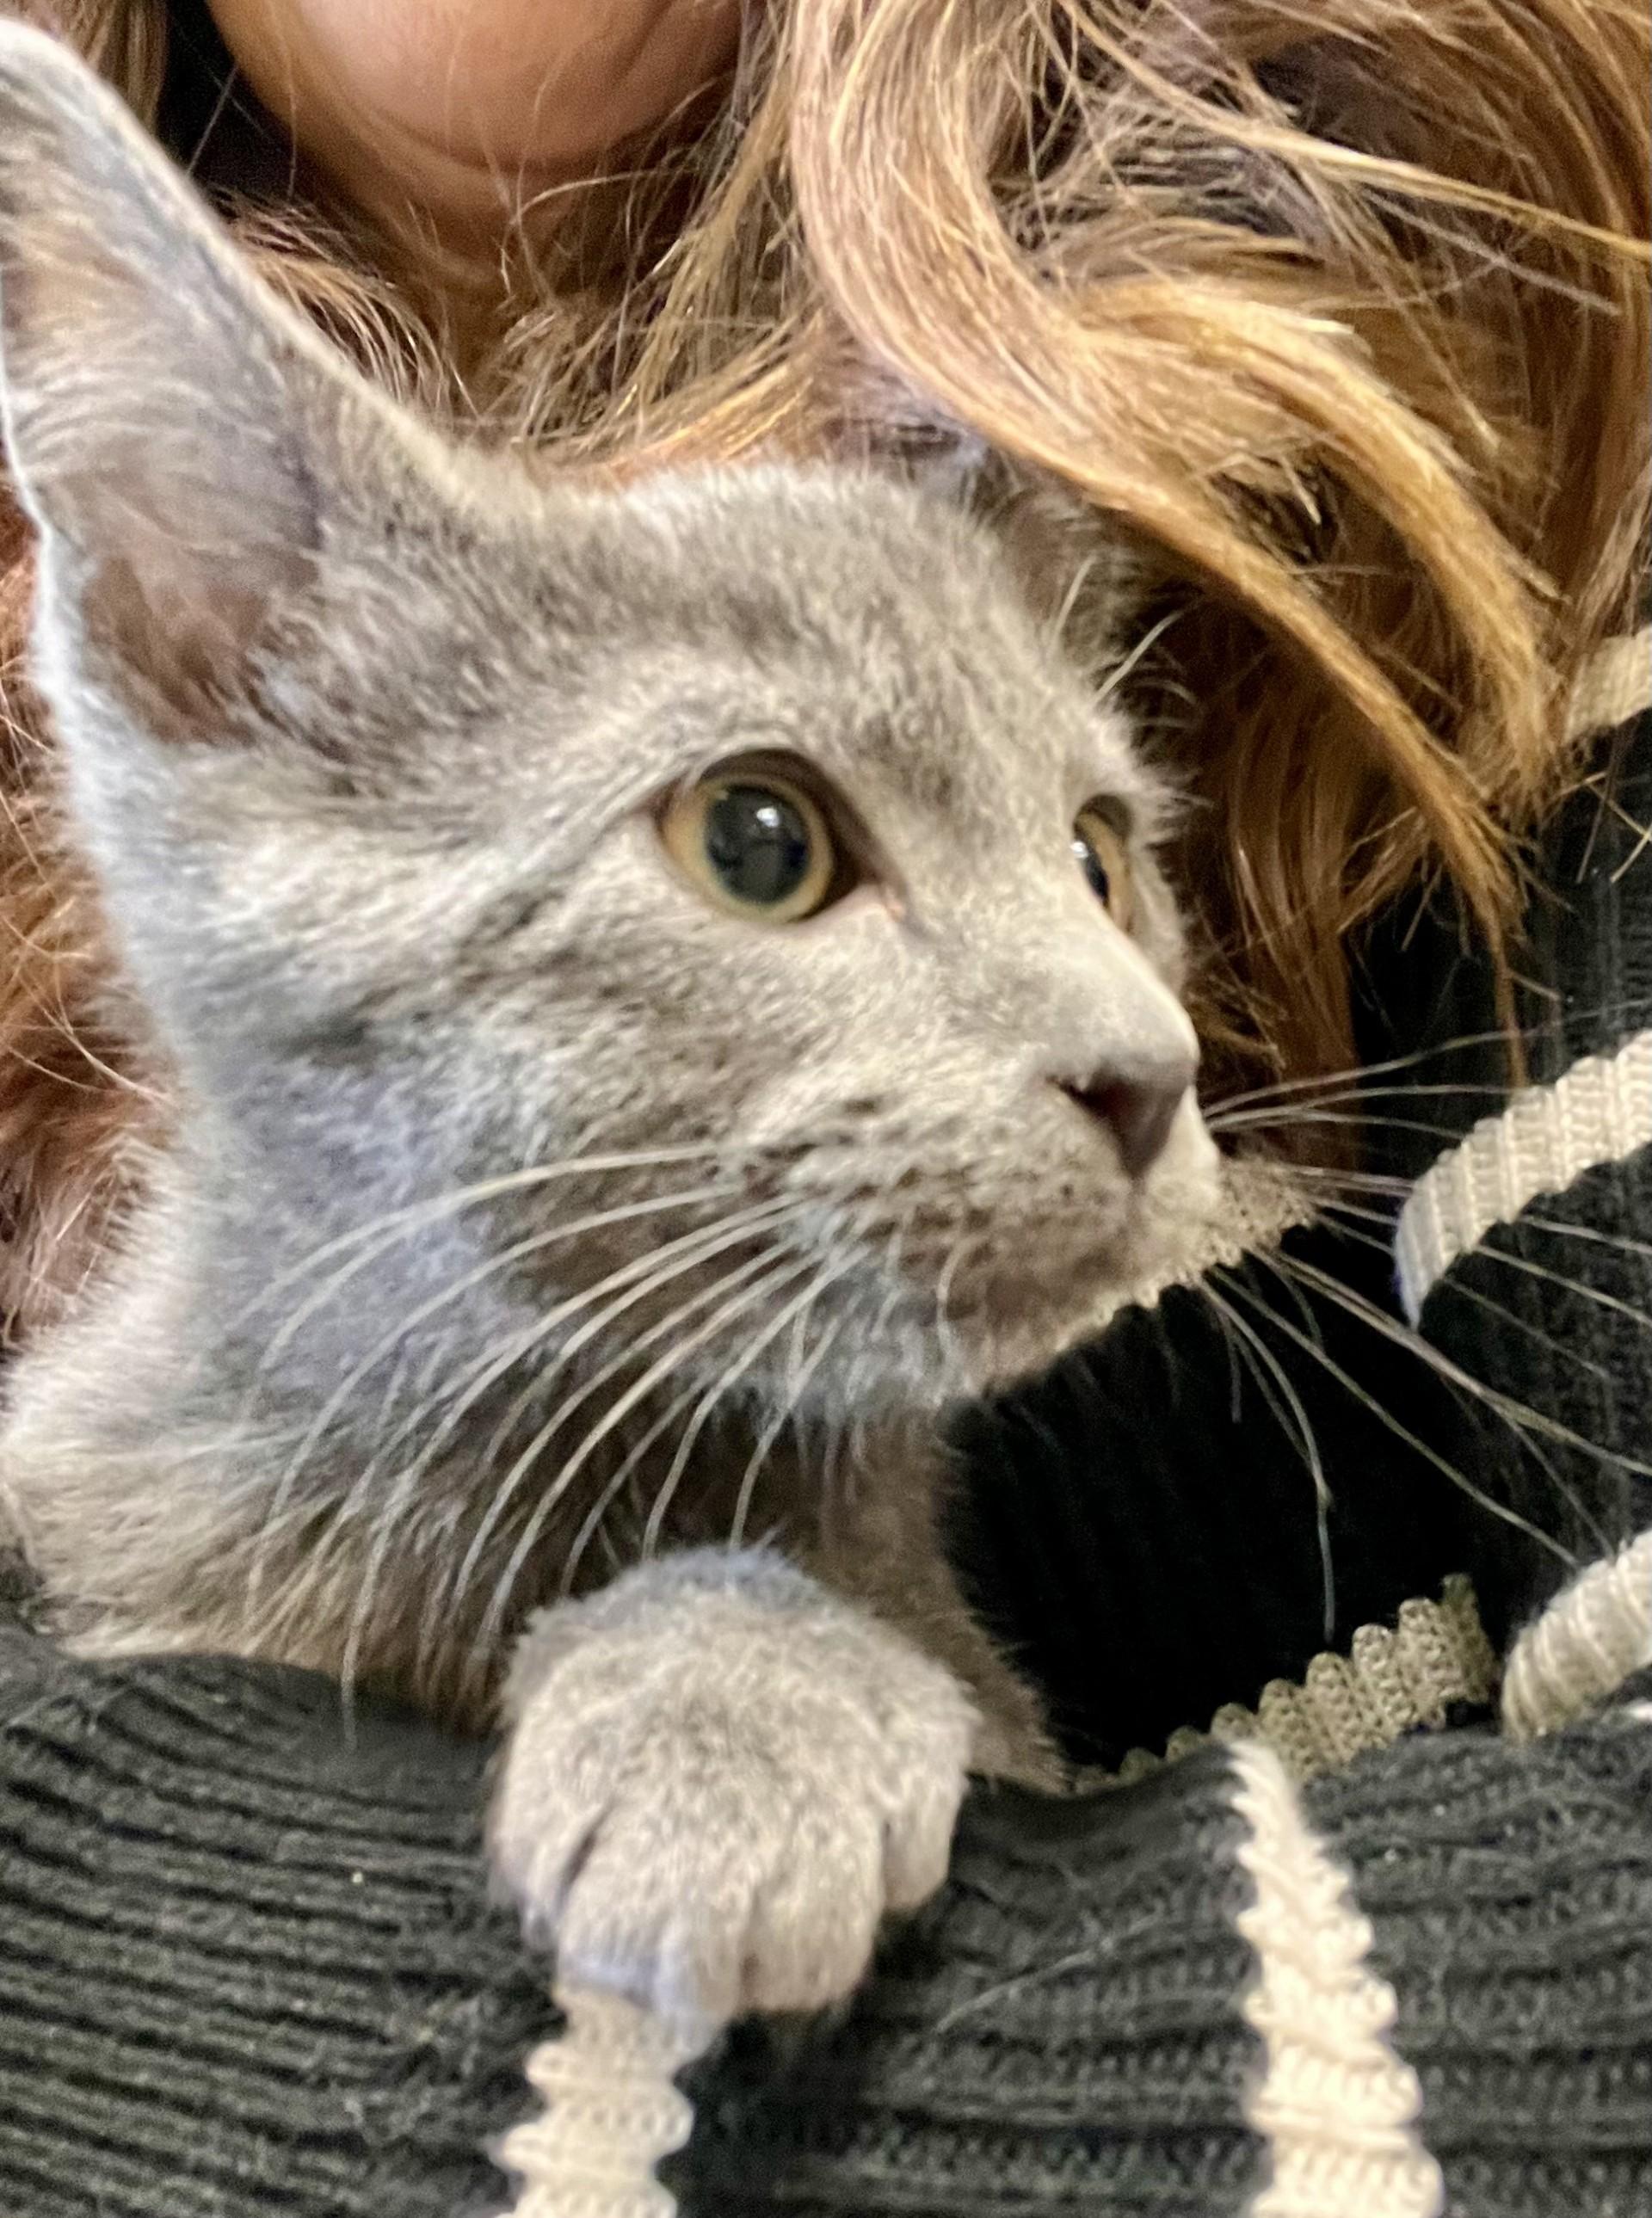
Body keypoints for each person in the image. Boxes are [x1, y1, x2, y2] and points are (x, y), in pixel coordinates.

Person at [0, 3, 1648, 2214]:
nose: (1130, 1033)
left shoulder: (1444, 347)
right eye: (762, 836)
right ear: (209, 651)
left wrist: (753, 1655)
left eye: (1094, 857)